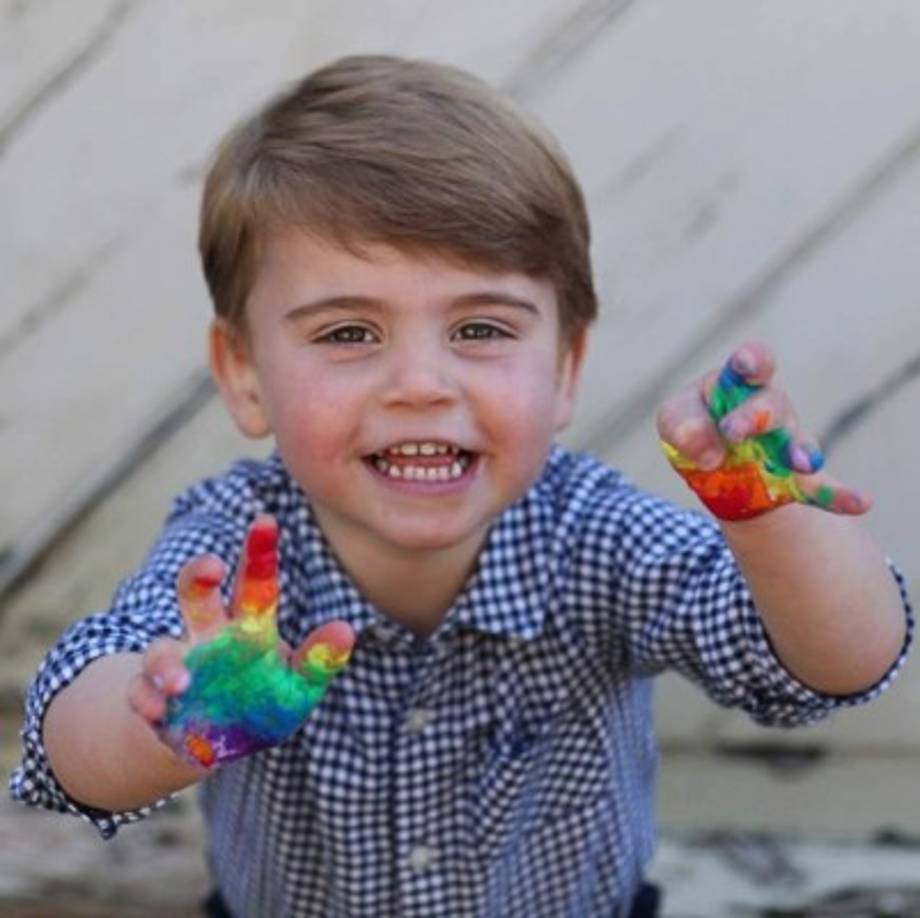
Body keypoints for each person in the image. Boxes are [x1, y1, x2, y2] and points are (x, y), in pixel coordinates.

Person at [9, 55, 913, 918]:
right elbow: (66, 738)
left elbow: (830, 668)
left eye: (479, 328)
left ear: (565, 367)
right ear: (243, 371)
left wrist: (771, 526)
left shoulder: (597, 536)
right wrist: (167, 729)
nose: (421, 383)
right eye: (348, 334)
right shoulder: (236, 551)